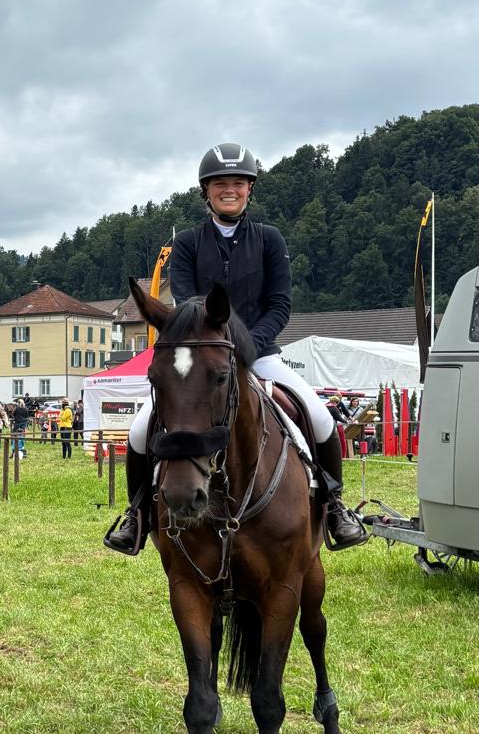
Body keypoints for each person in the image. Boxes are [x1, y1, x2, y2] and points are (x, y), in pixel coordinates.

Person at [104, 143, 368, 554]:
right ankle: (136, 516)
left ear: (249, 190)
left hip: (261, 353)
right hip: (205, 354)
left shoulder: (269, 240)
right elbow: (190, 305)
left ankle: (334, 506)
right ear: (205, 191)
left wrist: (250, 347)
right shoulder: (188, 244)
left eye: (238, 183)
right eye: (220, 184)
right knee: (141, 429)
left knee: (320, 419)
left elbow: (280, 305)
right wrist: (219, 347)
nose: (230, 189)